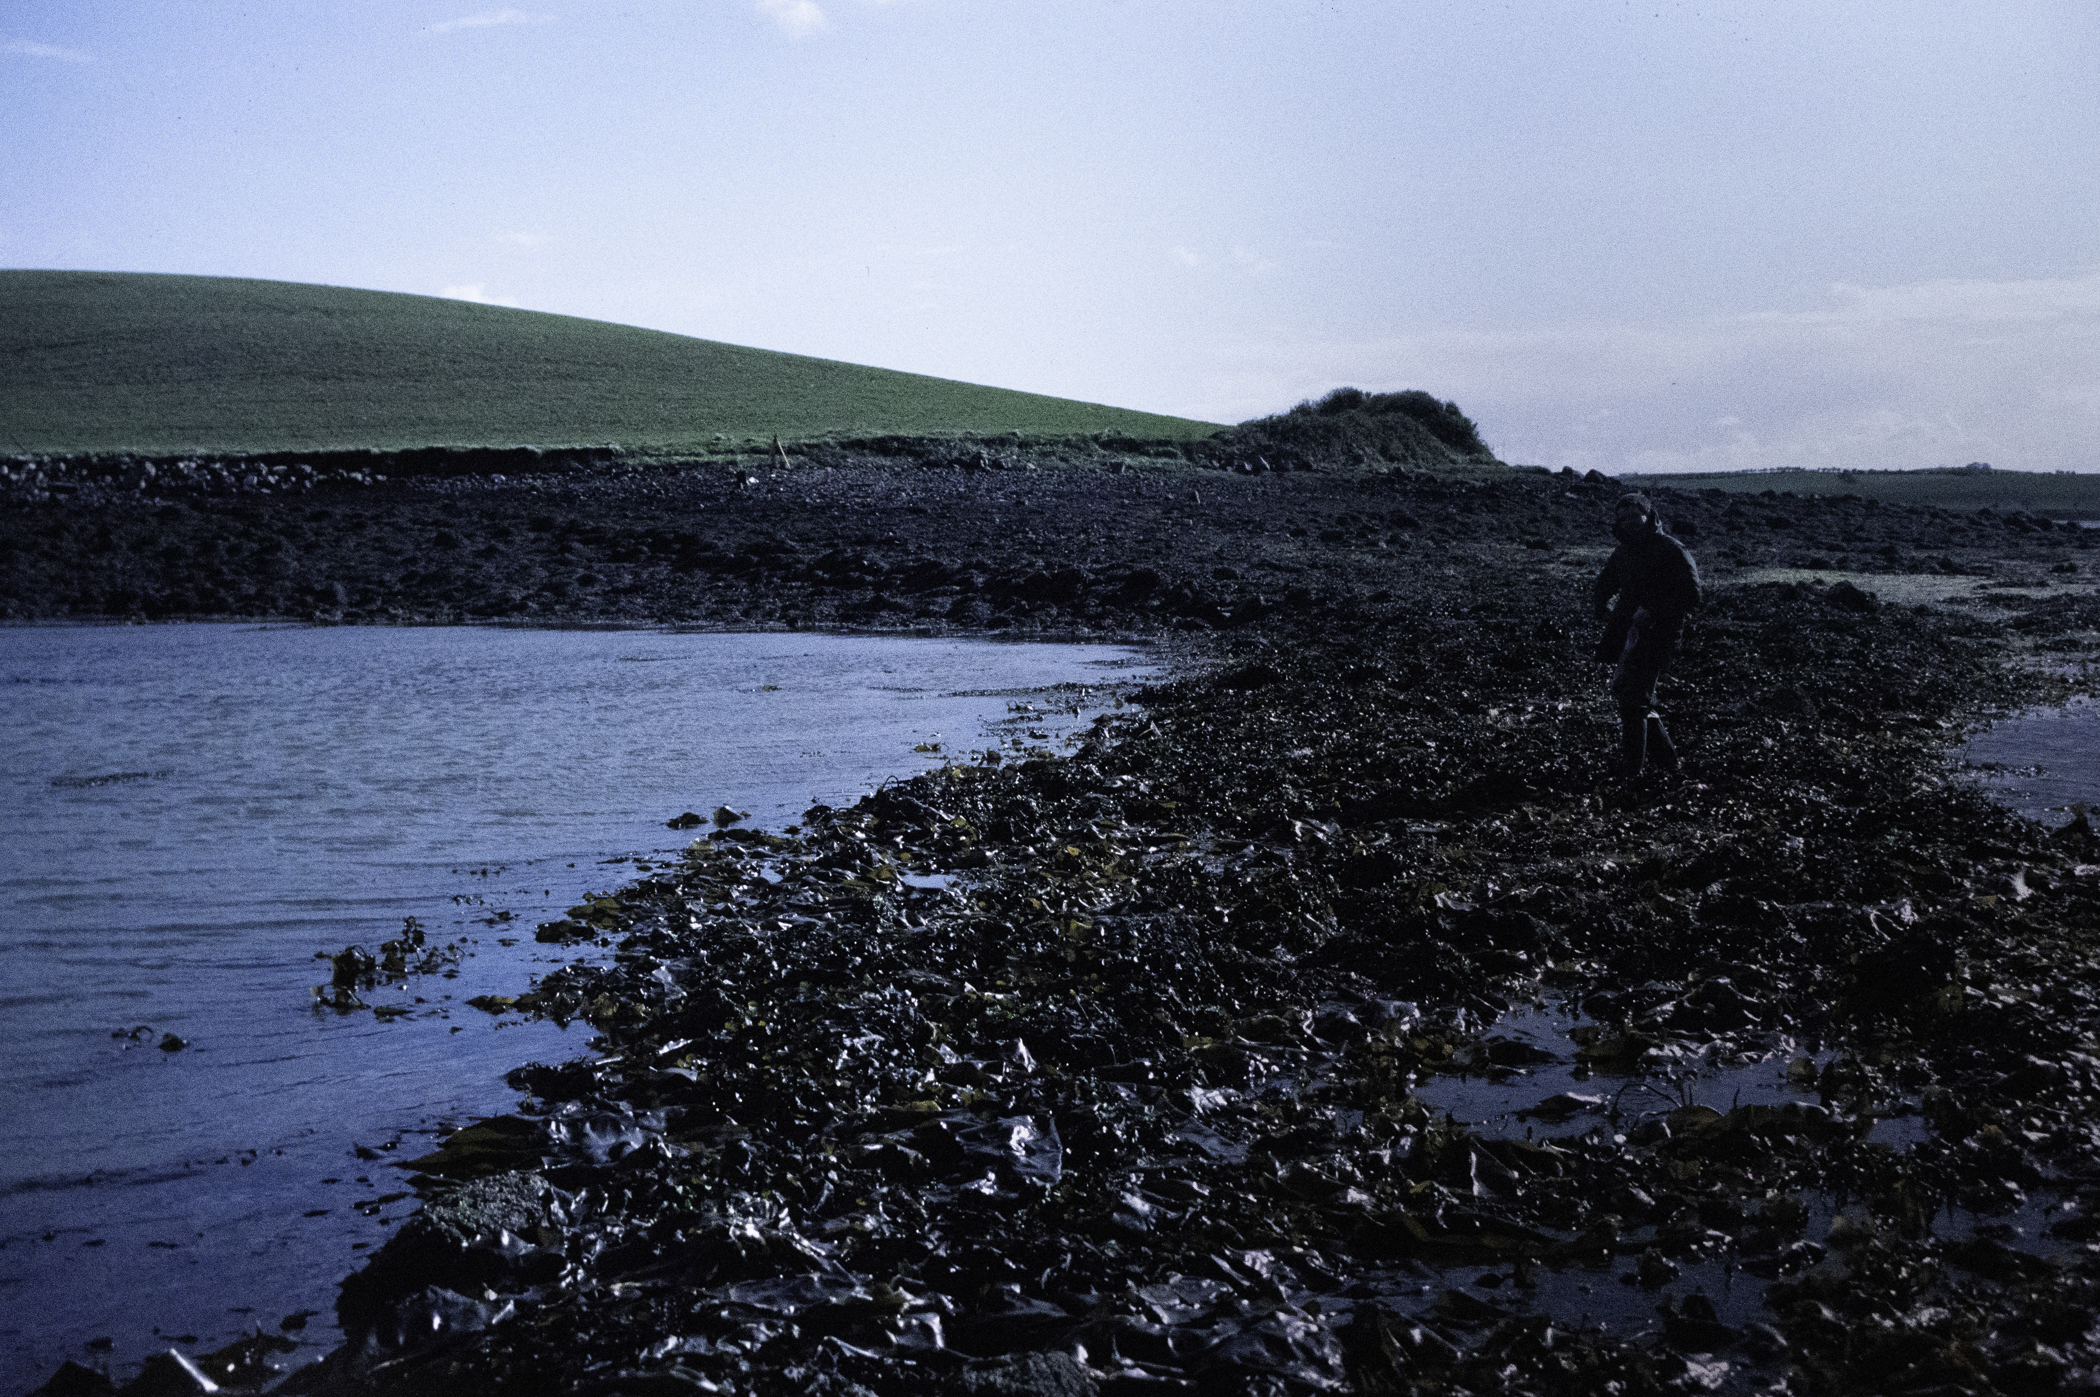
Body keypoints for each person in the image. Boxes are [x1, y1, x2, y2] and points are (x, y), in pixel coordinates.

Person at [1593, 493, 1700, 779]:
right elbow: (1605, 584)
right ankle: (1669, 762)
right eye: (1623, 518)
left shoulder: (1671, 549)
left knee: (1633, 701)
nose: (1629, 523)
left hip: (1660, 634)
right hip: (1628, 633)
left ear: (1648, 516)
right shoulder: (1623, 553)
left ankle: (1631, 772)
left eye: (1634, 516)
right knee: (1634, 698)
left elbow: (1692, 594)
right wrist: (1601, 606)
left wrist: (1654, 611)